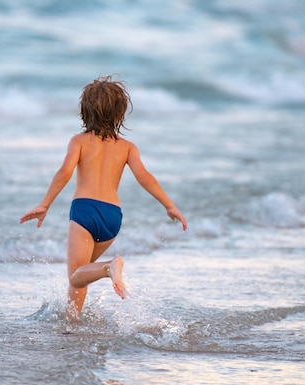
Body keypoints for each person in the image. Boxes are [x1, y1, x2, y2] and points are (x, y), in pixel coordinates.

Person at [20, 76, 187, 317]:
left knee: (75, 275)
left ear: (85, 111)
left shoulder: (78, 141)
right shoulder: (128, 147)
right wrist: (169, 206)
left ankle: (111, 267)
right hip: (112, 217)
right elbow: (145, 176)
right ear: (120, 113)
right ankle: (73, 322)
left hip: (85, 211)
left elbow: (65, 172)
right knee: (84, 273)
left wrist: (45, 204)